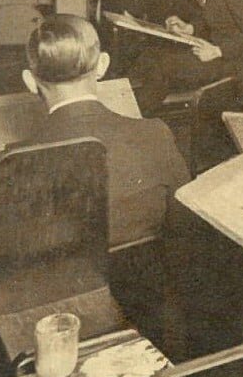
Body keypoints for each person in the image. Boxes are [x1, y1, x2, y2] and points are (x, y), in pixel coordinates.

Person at [10, 15, 190, 248]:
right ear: (103, 65)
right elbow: (185, 224)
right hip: (148, 279)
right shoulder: (156, 134)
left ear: (30, 81)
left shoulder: (13, 161)